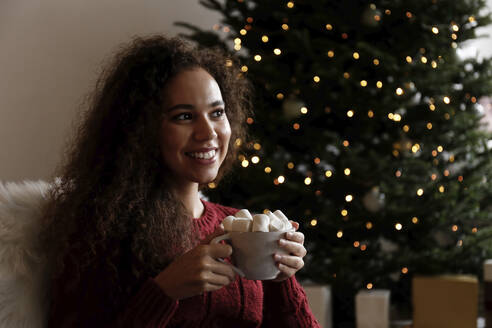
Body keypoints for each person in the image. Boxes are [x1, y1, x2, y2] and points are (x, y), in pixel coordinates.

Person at [42, 35, 320, 327]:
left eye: (217, 113)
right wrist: (164, 292)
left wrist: (280, 277)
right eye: (184, 116)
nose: (208, 132)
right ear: (141, 130)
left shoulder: (235, 224)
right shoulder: (99, 229)